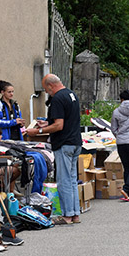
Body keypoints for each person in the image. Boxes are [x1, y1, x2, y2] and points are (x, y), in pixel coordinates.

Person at [25, 74, 82, 224]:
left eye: (46, 89)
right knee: (72, 180)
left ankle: (67, 215)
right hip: (75, 142)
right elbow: (65, 120)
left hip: (64, 143)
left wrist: (37, 131)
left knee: (63, 181)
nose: (47, 92)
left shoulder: (57, 99)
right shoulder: (71, 94)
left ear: (50, 86)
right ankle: (75, 214)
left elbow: (59, 125)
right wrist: (47, 123)